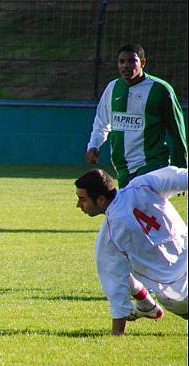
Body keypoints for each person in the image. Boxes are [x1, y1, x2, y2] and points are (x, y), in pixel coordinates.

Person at [75, 166, 188, 336]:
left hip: (177, 297)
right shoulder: (142, 185)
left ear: (100, 200)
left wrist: (117, 334)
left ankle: (147, 306)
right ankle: (146, 305)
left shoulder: (108, 235)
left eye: (82, 199)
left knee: (118, 265)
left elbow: (116, 286)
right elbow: (179, 176)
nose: (78, 205)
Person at [86, 43, 187, 188]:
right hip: (123, 168)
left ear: (143, 62)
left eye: (131, 61)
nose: (125, 65)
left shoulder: (160, 90)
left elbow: (177, 131)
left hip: (152, 164)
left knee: (140, 205)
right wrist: (94, 145)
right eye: (121, 61)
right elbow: (102, 122)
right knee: (135, 210)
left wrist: (181, 169)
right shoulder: (112, 88)